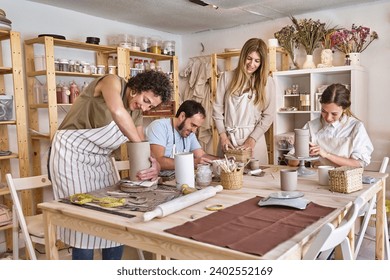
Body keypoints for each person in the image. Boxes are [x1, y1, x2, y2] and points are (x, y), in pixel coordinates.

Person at [48, 71, 172, 260]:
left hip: (100, 158)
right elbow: (117, 111)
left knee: (116, 216)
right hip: (70, 153)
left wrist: (152, 163)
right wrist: (140, 145)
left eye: (150, 106)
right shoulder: (111, 82)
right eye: (145, 100)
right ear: (138, 87)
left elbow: (139, 140)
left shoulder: (137, 111)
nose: (144, 108)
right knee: (83, 220)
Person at [212, 38, 275, 164]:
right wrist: (223, 137)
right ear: (242, 56)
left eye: (257, 61)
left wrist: (252, 140)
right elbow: (217, 110)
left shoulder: (266, 82)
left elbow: (268, 116)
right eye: (249, 58)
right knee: (228, 179)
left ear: (262, 63)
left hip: (254, 142)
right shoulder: (226, 77)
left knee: (256, 180)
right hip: (228, 141)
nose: (252, 64)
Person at [306, 83, 373, 167]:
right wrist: (297, 148)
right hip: (316, 177)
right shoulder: (311, 126)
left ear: (344, 109)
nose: (328, 118)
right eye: (324, 111)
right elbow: (292, 163)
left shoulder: (356, 127)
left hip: (345, 178)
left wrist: (326, 155)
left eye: (334, 114)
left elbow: (359, 163)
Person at [147, 100, 219, 170]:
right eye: (193, 125)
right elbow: (158, 161)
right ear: (182, 116)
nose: (194, 131)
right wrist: (191, 162)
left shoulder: (189, 133)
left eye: (197, 127)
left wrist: (223, 160)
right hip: (159, 179)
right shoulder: (159, 126)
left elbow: (202, 156)